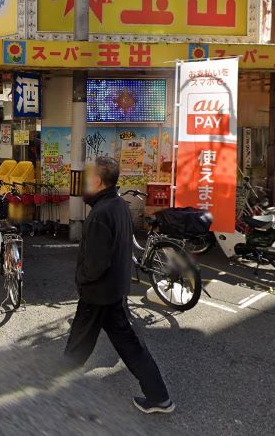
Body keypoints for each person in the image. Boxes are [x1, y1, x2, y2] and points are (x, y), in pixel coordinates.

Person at [64, 156, 173, 415]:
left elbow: (95, 264)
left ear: (97, 181)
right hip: (114, 290)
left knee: (78, 346)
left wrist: (81, 279)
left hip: (98, 293)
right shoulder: (118, 204)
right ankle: (159, 397)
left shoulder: (100, 214)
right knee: (129, 345)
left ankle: (50, 391)